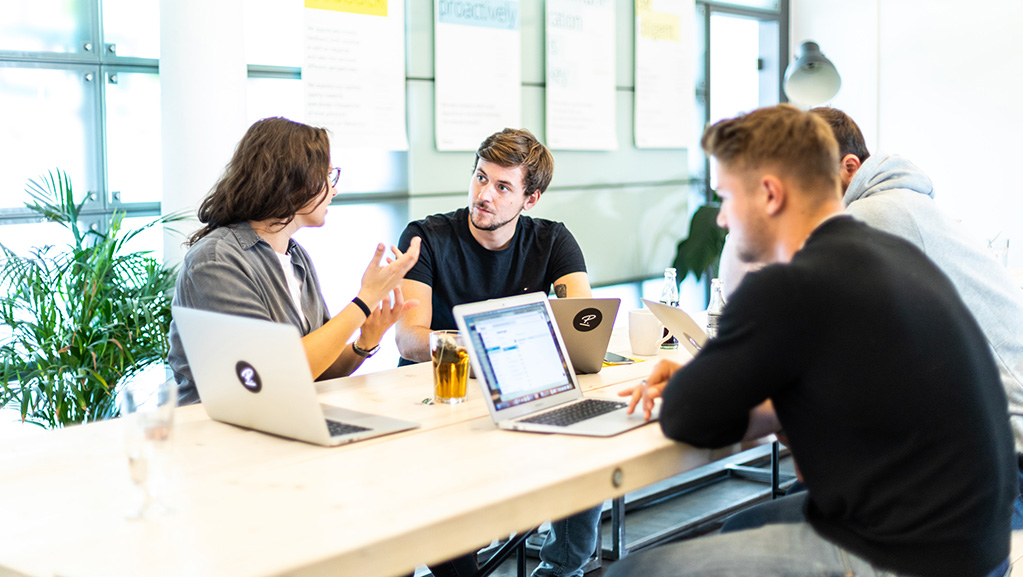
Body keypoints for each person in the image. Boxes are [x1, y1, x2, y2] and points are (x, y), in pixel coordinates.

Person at [609, 105, 1014, 577]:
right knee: (745, 527)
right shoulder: (893, 252)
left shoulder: (791, 285)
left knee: (633, 572)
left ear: (769, 194)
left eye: (725, 197)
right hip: (978, 548)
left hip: (907, 558)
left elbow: (688, 418)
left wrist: (697, 384)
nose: (721, 220)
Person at [723, 106, 1023, 532]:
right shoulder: (904, 207)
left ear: (849, 169)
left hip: (1002, 474)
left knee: (748, 530)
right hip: (976, 458)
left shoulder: (875, 216)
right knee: (791, 504)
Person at [395, 128, 597, 577]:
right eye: (480, 177)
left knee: (587, 445)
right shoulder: (426, 237)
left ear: (531, 199)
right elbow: (409, 340)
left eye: (503, 186)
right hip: (441, 404)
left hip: (517, 391)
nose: (484, 194)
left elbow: (582, 326)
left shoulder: (552, 241)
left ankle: (563, 569)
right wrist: (488, 342)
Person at [167, 117, 421, 405]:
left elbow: (317, 371)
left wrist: (366, 341)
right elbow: (274, 377)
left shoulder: (295, 256)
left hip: (285, 420)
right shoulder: (215, 261)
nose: (334, 189)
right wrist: (364, 301)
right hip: (223, 434)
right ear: (293, 181)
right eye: (327, 176)